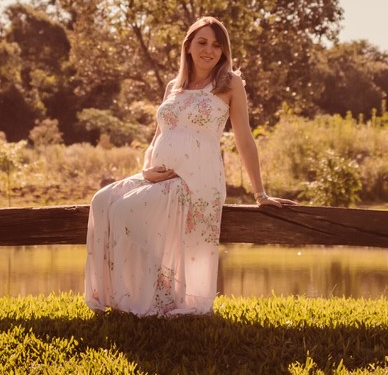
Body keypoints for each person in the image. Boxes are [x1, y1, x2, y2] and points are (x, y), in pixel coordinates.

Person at [84, 16, 295, 316]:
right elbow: (157, 136)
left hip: (196, 181)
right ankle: (112, 295)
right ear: (188, 46)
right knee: (102, 200)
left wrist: (260, 194)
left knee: (123, 210)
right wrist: (146, 169)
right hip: (157, 177)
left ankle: (153, 297)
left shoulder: (229, 83)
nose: (209, 50)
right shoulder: (174, 85)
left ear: (224, 52)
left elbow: (245, 140)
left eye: (217, 46)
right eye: (203, 42)